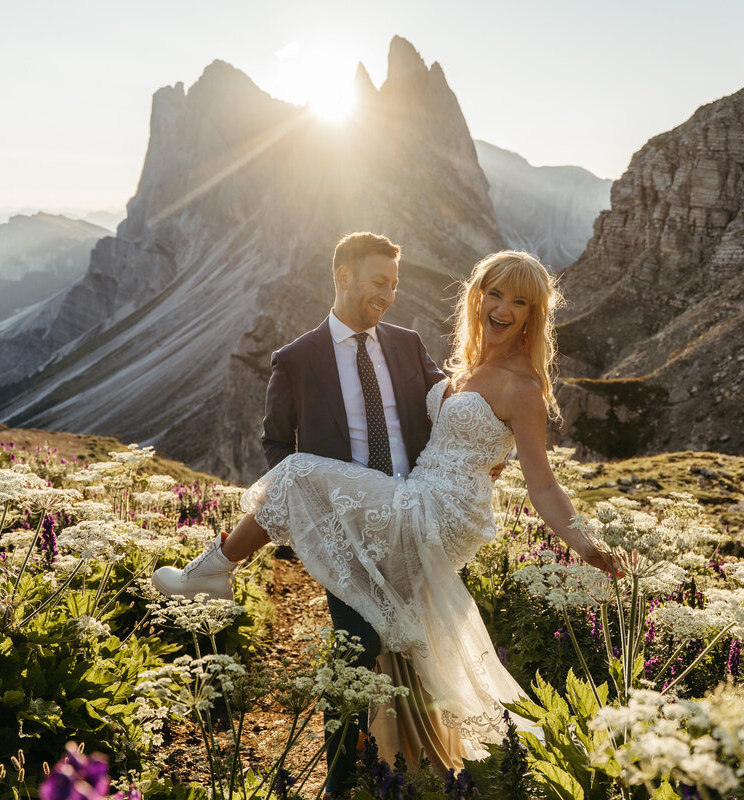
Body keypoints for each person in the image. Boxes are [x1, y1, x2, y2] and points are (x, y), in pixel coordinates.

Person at [155, 245, 613, 779]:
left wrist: (582, 541)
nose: (503, 308)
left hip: (439, 511)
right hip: (418, 496)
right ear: (477, 296)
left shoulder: (523, 385)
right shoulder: (467, 366)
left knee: (301, 473)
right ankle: (373, 768)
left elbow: (542, 483)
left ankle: (212, 570)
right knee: (368, 635)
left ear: (535, 314)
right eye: (494, 293)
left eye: (520, 301)